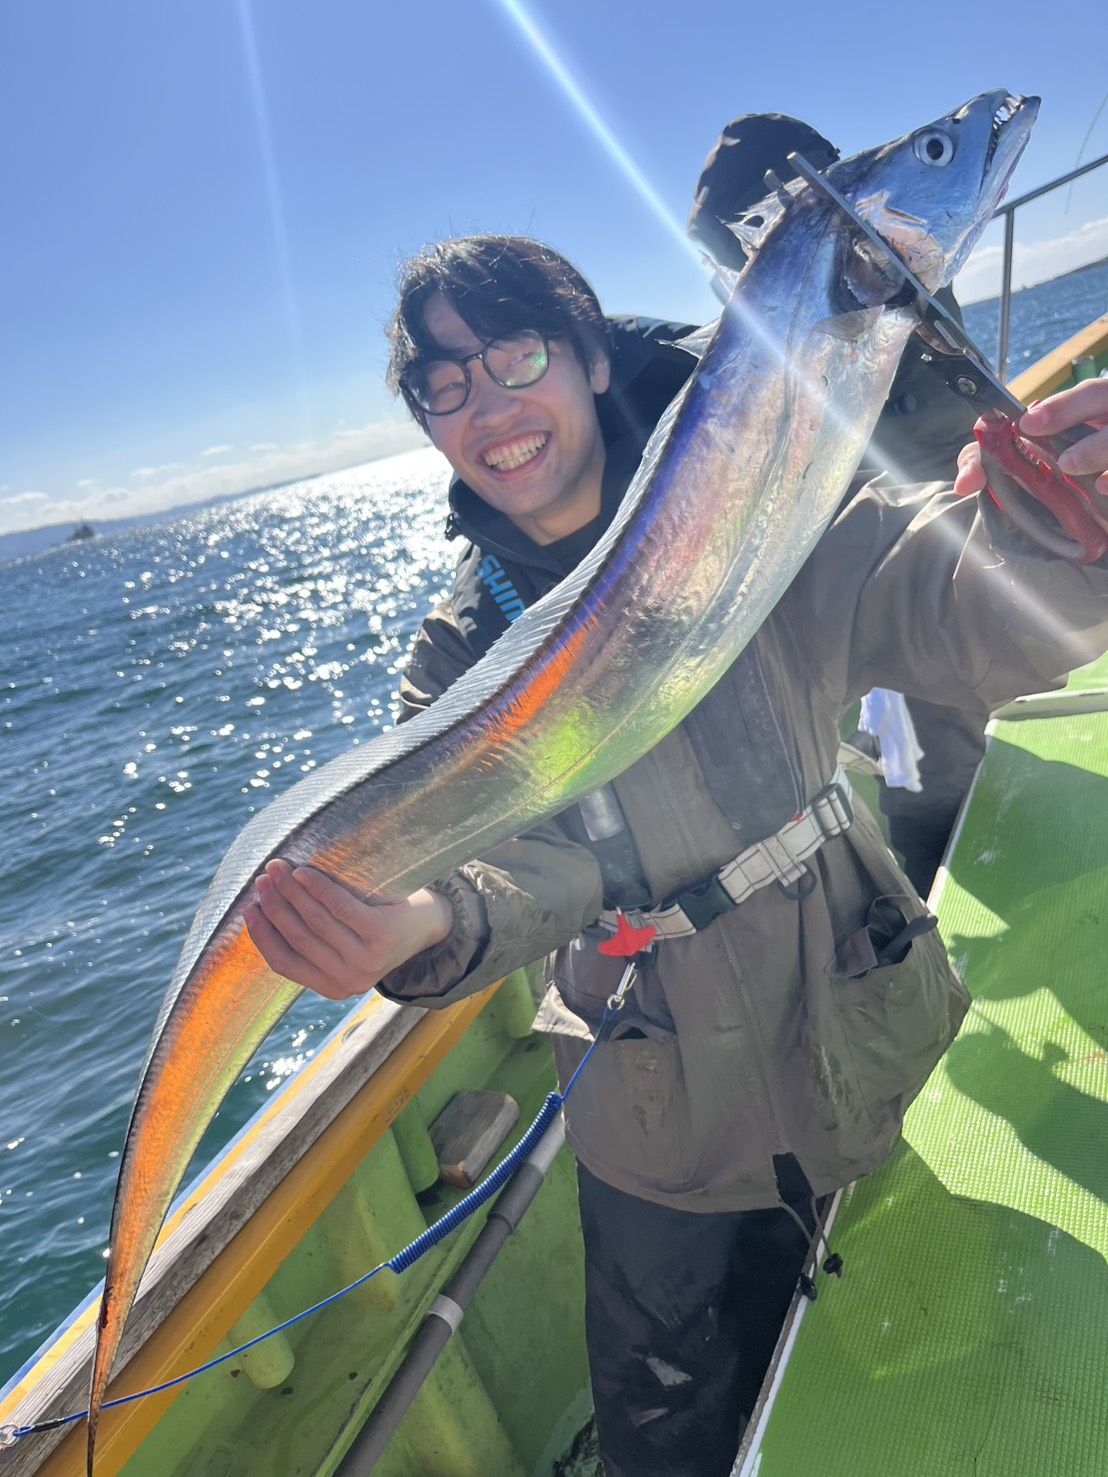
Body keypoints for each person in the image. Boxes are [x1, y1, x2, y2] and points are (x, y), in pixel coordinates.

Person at [244, 234, 1108, 1476]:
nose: (487, 406)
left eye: (516, 356)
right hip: (655, 1122)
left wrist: (1068, 534)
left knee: (924, 1351)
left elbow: (954, 603)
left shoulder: (759, 507)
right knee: (666, 1431)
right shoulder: (459, 657)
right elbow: (492, 858)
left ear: (593, 358)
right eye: (445, 385)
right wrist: (422, 924)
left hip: (857, 1030)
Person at [690, 112, 989, 895]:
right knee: (915, 735)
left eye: (768, 228)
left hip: (934, 519)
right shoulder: (850, 283)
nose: (756, 255)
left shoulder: (879, 267)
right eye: (748, 238)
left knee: (927, 734)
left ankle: (932, 855)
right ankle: (927, 858)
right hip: (893, 539)